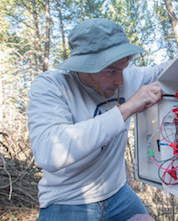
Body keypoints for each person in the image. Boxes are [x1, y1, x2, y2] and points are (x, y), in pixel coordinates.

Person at [27, 18, 170, 221]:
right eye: (111, 71)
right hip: (68, 200)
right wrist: (126, 109)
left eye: (124, 68)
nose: (121, 80)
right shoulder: (51, 86)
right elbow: (48, 152)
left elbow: (165, 71)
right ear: (84, 67)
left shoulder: (126, 76)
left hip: (118, 192)